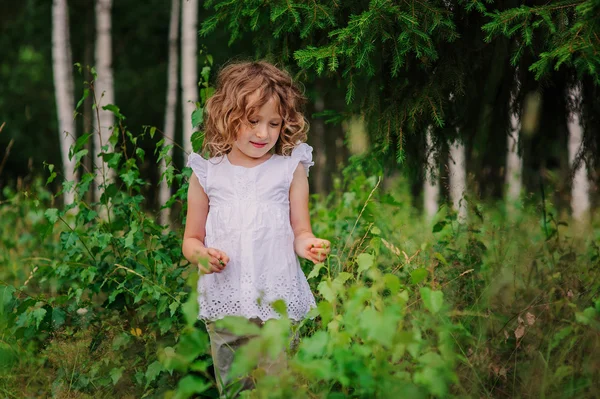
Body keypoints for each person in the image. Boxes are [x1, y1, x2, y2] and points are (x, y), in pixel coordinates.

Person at [182, 60, 331, 397]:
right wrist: (201, 255)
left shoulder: (289, 170)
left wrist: (307, 244)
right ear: (227, 116)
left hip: (277, 300)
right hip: (226, 302)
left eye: (274, 123)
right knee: (235, 387)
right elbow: (191, 239)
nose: (263, 133)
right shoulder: (208, 173)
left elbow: (300, 230)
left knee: (277, 386)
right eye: (252, 121)